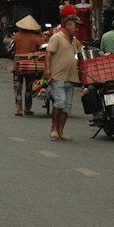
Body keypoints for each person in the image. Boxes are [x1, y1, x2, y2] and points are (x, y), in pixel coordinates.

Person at [44, 13, 82, 141]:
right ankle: (54, 129)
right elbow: (49, 53)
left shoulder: (74, 41)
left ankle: (61, 130)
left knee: (67, 105)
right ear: (68, 25)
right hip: (58, 75)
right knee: (60, 102)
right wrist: (48, 69)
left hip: (71, 77)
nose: (77, 29)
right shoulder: (57, 37)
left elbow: (81, 50)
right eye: (75, 26)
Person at [12, 14, 44, 116]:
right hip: (30, 66)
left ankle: (19, 109)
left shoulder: (16, 36)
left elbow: (13, 49)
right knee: (29, 88)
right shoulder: (37, 38)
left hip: (18, 65)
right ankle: (27, 108)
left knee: (18, 88)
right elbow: (43, 49)